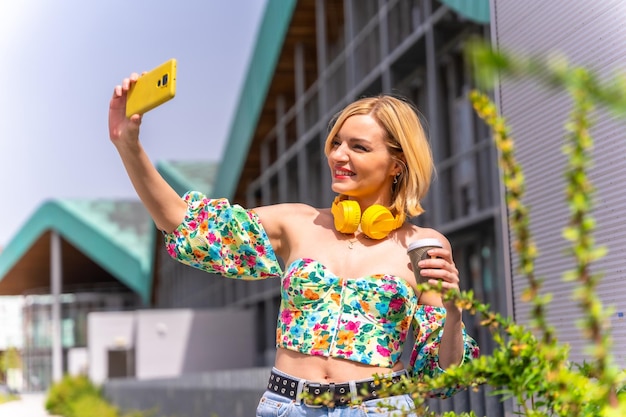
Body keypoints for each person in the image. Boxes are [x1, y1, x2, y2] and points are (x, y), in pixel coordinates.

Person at [108, 72, 479, 416]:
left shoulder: (422, 244)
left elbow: (441, 376)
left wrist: (454, 313)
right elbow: (185, 224)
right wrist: (129, 145)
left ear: (397, 164)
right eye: (336, 143)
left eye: (359, 147)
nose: (338, 155)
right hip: (289, 407)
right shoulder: (295, 223)